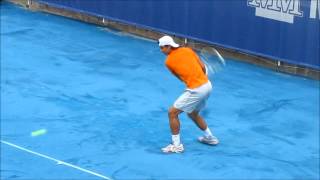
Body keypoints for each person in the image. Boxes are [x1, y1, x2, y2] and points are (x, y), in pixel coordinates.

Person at [158, 35, 219, 153]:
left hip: (196, 89)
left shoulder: (169, 62)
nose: (161, 51)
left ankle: (177, 146)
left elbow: (181, 78)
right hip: (207, 86)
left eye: (162, 48)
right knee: (192, 113)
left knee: (172, 113)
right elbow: (202, 68)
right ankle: (210, 138)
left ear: (168, 46)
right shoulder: (187, 50)